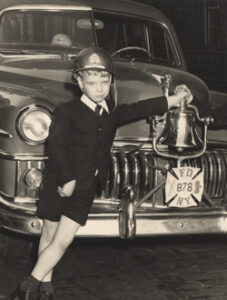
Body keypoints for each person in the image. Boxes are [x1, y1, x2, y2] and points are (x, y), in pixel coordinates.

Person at [12, 47, 193, 300]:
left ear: (111, 81)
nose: (99, 88)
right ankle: (45, 288)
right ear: (79, 82)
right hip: (58, 182)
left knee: (62, 240)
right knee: (50, 234)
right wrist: (66, 180)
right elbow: (56, 148)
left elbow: (141, 108)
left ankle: (25, 288)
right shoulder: (67, 111)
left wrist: (174, 100)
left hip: (85, 188)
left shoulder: (111, 114)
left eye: (104, 81)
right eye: (92, 82)